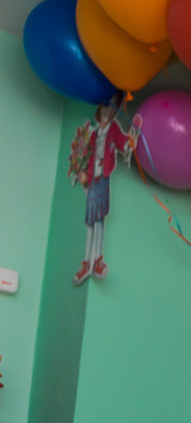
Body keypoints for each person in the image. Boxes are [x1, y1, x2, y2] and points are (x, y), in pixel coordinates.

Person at [70, 94, 140, 284]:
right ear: (99, 109)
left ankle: (97, 260)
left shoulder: (114, 129)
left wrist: (131, 140)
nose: (107, 111)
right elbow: (83, 155)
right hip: (92, 180)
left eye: (111, 108)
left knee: (100, 220)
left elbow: (123, 144)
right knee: (91, 221)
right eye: (104, 107)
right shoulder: (92, 134)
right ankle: (86, 262)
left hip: (103, 179)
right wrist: (81, 172)